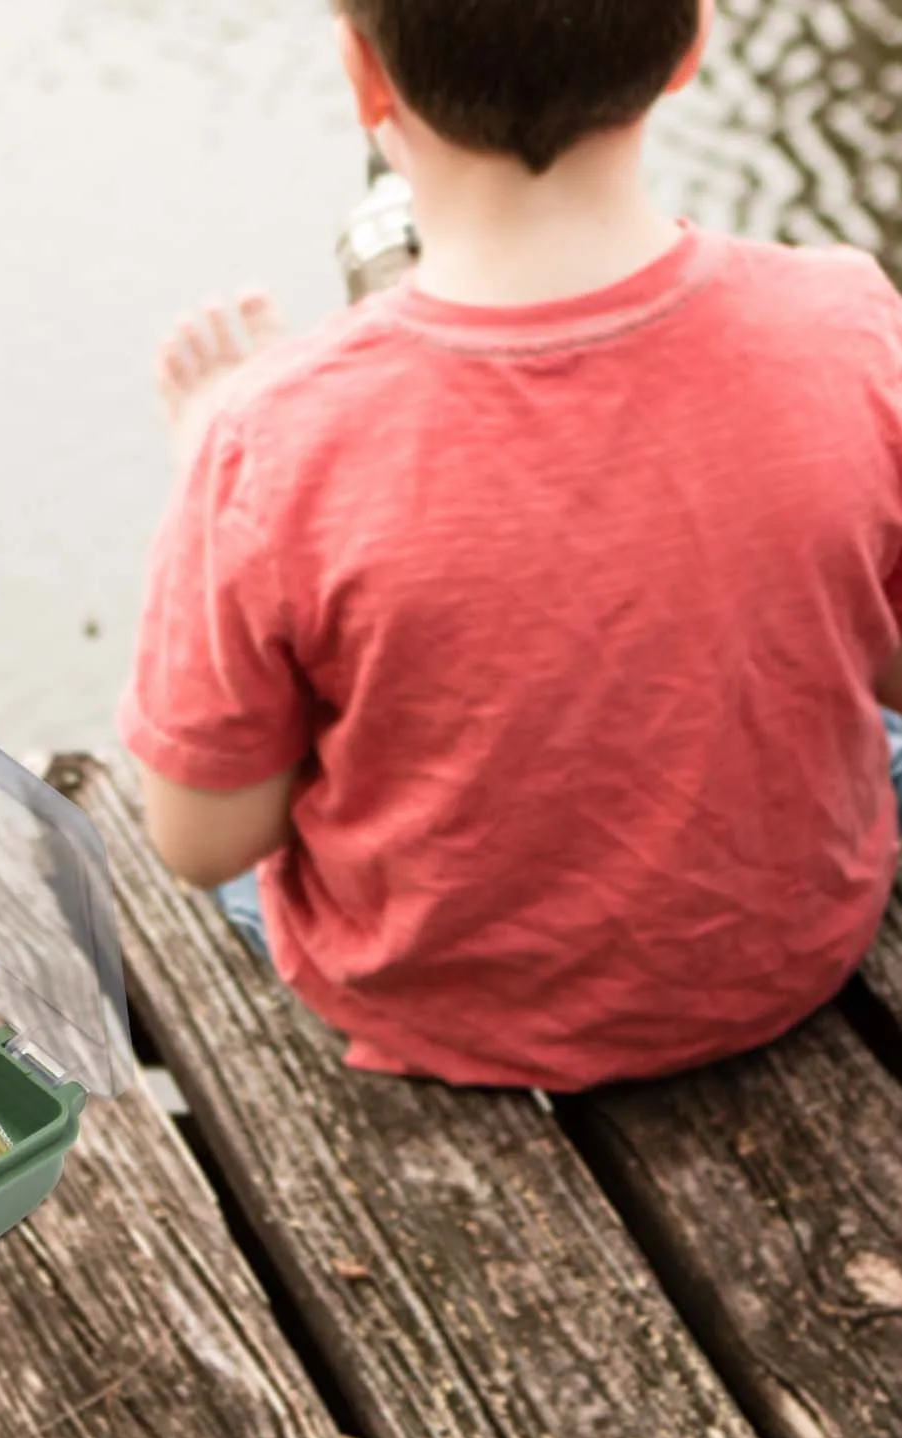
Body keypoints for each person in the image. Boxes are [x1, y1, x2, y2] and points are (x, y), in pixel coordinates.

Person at [115, 0, 902, 1094]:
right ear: (691, 48)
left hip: (441, 1009)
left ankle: (387, 404)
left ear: (361, 76)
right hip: (783, 954)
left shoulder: (267, 436)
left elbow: (203, 840)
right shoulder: (851, 324)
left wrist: (207, 471)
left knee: (256, 752)